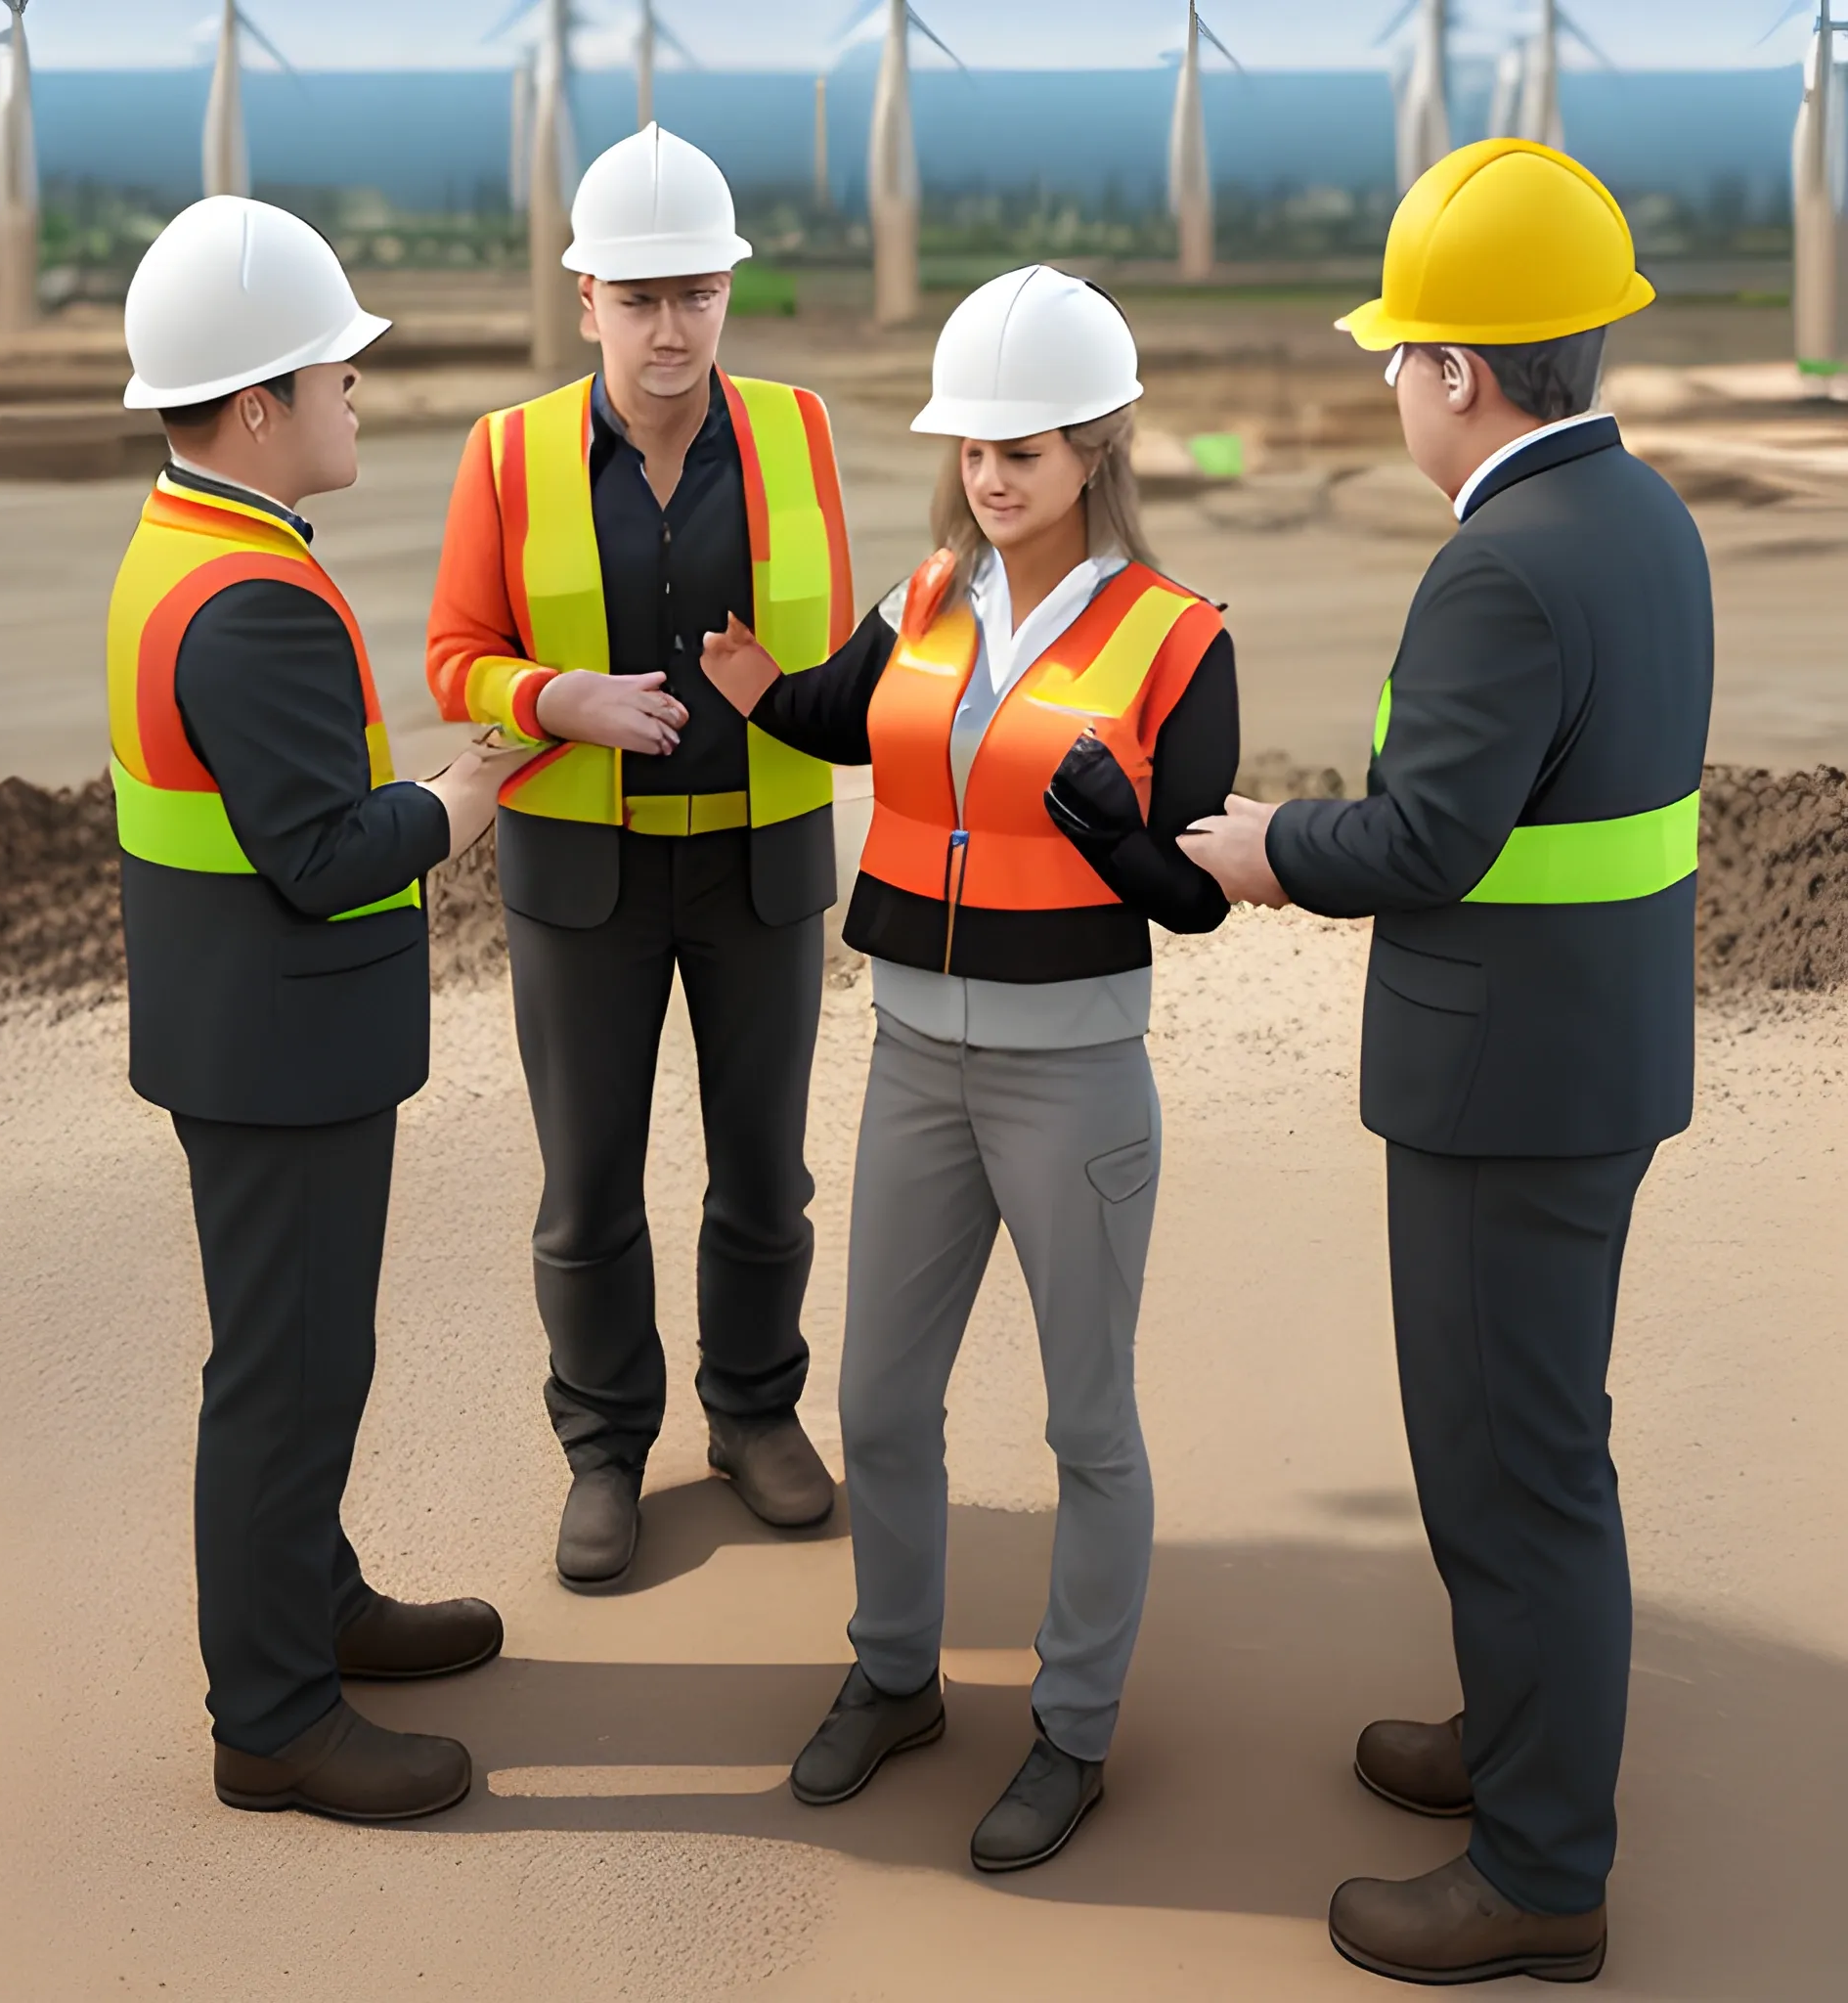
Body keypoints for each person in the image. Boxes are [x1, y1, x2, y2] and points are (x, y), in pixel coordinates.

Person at [1183, 141, 1713, 1984]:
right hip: (1594, 1057)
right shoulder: (1641, 517)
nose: (1393, 382)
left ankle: (1541, 1868)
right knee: (1530, 1443)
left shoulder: (1500, 567)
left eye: (1402, 354)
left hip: (1506, 1091)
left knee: (1513, 1467)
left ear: (1463, 375)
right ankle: (1511, 1737)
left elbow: (1424, 844)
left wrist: (1265, 853)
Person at [700, 265, 1240, 1872]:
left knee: (1088, 1426)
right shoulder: (930, 596)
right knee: (879, 1399)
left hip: (1073, 1082)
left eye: (1022, 450)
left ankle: (1072, 1732)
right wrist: (750, 690)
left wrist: (1111, 834)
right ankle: (894, 1674)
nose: (989, 477)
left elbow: (1199, 891)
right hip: (913, 1054)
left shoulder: (1176, 639)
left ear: (1096, 448)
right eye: (973, 451)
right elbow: (846, 722)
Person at [111, 196, 524, 1822]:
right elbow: (316, 852)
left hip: (240, 1032)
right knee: (283, 1376)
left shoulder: (191, 542)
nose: (361, 396)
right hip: (281, 1049)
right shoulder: (258, 600)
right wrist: (455, 802)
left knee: (301, 1360)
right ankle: (274, 1716)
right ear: (263, 404)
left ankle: (316, 1605)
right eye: (340, 376)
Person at [424, 126, 855, 1588]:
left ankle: (755, 1415)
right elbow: (453, 660)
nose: (672, 331)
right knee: (589, 1184)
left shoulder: (800, 435)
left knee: (765, 1179)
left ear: (729, 290)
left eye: (699, 296)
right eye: (642, 298)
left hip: (760, 872)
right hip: (580, 884)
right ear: (588, 295)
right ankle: (604, 1448)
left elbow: (842, 656)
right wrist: (561, 701)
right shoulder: (510, 451)